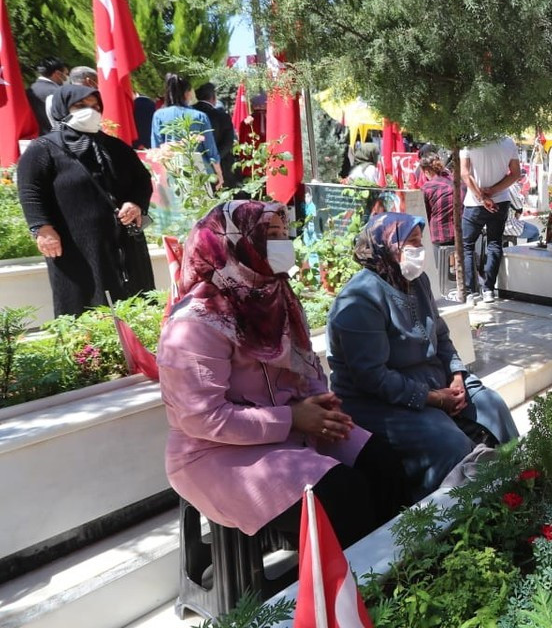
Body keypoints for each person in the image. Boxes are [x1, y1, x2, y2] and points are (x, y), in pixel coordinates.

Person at [158, 201, 406, 546]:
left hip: (292, 428)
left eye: (283, 233)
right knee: (342, 497)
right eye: (270, 235)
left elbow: (307, 368)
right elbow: (203, 419)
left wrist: (320, 403)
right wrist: (292, 419)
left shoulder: (276, 297)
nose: (283, 243)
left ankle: (397, 573)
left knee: (384, 463)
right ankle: (351, 591)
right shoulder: (196, 323)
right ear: (235, 241)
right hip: (216, 451)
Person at [326, 213, 519, 500]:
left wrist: (457, 375)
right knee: (448, 441)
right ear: (385, 247)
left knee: (492, 405)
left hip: (434, 381)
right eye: (411, 243)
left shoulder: (416, 281)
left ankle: (515, 483)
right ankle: (447, 517)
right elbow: (372, 378)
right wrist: (434, 398)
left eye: (420, 242)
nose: (419, 250)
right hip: (377, 401)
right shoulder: (359, 301)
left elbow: (440, 335)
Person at [17, 85, 155, 316]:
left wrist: (135, 203)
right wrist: (42, 228)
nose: (89, 112)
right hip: (74, 244)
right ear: (62, 108)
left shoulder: (115, 146)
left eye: (95, 107)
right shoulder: (43, 149)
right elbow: (30, 190)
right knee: (84, 302)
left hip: (123, 242)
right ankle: (89, 351)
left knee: (134, 301)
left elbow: (142, 180)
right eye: (80, 106)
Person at [460, 135, 521, 304]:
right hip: (500, 199)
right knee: (494, 243)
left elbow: (464, 173)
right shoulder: (508, 142)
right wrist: (493, 191)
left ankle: (470, 292)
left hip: (474, 203)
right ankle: (488, 289)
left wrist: (482, 197)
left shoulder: (468, 141)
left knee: (467, 246)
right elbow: (516, 173)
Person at [152, 74, 223, 190]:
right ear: (187, 93)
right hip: (199, 169)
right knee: (201, 207)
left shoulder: (158, 115)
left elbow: (156, 148)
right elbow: (211, 150)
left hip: (171, 171)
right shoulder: (199, 116)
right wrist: (219, 174)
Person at [192, 82, 240, 190]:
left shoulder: (188, 113)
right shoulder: (222, 116)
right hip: (220, 166)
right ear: (213, 97)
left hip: (193, 163)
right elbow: (228, 143)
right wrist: (214, 160)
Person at [420, 151, 456, 247]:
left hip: (439, 236)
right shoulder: (456, 181)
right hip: (462, 234)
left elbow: (424, 214)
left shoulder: (428, 188)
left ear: (426, 171)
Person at [26, 56, 67, 134]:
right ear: (58, 73)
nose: (66, 78)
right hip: (56, 139)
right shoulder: (58, 92)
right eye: (66, 74)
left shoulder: (29, 90)